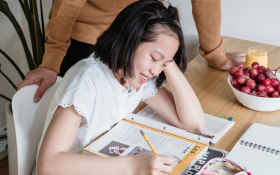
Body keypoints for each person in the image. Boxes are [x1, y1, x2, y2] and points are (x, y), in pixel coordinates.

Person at [32, 1, 205, 174]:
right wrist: (133, 166)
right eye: (153, 58)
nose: (155, 71)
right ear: (126, 42)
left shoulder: (136, 78)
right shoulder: (87, 81)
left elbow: (194, 124)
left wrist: (165, 58)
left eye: (164, 64)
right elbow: (47, 166)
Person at [17, 0, 246, 103]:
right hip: (87, 38)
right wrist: (51, 62)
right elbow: (68, 4)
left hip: (140, 39)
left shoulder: (151, 61)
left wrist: (216, 55)